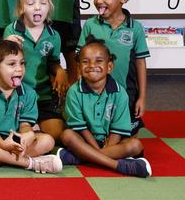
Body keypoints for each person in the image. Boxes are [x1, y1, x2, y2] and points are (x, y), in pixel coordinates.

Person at [59, 37, 152, 178]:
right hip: (85, 140)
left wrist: (105, 149)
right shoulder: (74, 92)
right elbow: (80, 127)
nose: (92, 65)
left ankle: (79, 158)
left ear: (109, 67)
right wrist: (97, 149)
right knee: (67, 135)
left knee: (135, 145)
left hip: (110, 142)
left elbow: (118, 129)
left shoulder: (120, 93)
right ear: (78, 67)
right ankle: (118, 165)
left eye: (99, 61)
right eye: (85, 61)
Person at [77, 0, 150, 135]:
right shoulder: (90, 25)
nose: (98, 1)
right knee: (85, 134)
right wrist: (79, 94)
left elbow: (140, 63)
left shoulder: (135, 28)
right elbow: (79, 60)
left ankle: (101, 153)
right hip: (93, 95)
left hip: (125, 96)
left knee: (128, 140)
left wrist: (142, 98)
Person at [0, 40, 62, 173]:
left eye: (22, 63)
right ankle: (31, 163)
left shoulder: (29, 93)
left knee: (48, 141)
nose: (19, 69)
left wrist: (27, 136)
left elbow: (25, 125)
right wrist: (2, 144)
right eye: (12, 64)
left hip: (17, 141)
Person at [4, 0, 68, 142]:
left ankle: (35, 133)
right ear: (21, 8)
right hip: (18, 95)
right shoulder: (11, 30)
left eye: (43, 3)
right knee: (8, 131)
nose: (38, 7)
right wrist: (7, 46)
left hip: (43, 95)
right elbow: (2, 65)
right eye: (31, 3)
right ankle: (32, 134)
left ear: (50, 7)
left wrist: (60, 71)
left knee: (56, 134)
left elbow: (53, 62)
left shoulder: (54, 36)